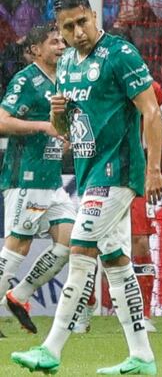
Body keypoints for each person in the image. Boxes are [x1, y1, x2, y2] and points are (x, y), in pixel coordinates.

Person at [11, 0, 162, 375]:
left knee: (79, 250)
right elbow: (65, 130)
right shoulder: (65, 65)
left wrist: (154, 169)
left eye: (82, 22)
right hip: (89, 173)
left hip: (118, 172)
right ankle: (142, 355)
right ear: (60, 30)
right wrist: (58, 115)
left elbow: (150, 110)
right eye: (68, 27)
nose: (78, 32)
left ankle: (51, 349)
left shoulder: (120, 54)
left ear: (94, 16)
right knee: (115, 261)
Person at [0, 25, 73, 333]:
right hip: (25, 178)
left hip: (53, 180)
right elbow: (2, 121)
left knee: (69, 243)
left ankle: (19, 296)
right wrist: (43, 127)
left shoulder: (66, 79)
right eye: (53, 42)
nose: (61, 46)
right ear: (35, 50)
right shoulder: (26, 80)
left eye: (62, 41)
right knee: (19, 245)